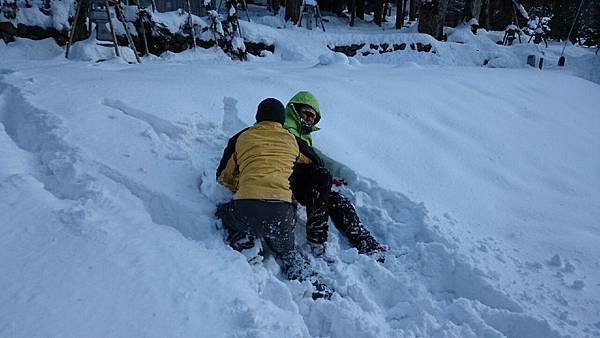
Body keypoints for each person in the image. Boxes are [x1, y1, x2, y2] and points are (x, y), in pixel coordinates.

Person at [215, 98, 332, 299]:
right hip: (282, 211)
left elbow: (222, 177)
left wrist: (241, 183)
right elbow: (317, 162)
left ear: (257, 117)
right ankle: (302, 273)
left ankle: (245, 239)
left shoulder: (240, 137)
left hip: (245, 209)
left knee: (222, 212)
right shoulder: (292, 140)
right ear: (281, 119)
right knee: (287, 249)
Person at [283, 91, 386, 261]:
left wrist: (338, 171)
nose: (310, 119)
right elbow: (303, 152)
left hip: (301, 180)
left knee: (336, 200)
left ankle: (364, 241)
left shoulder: (304, 135)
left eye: (313, 117)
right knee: (321, 178)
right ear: (295, 110)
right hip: (285, 178)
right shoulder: (284, 126)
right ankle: (317, 238)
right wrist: (323, 171)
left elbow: (315, 155)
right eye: (307, 114)